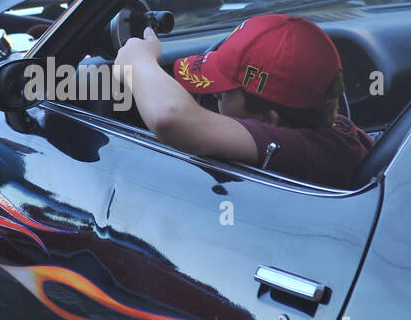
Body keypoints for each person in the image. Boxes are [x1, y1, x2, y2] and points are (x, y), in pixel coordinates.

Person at [114, 13, 373, 190]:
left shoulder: (303, 152)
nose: (214, 94)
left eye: (225, 93)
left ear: (268, 122)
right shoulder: (340, 134)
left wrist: (137, 63)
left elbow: (169, 117)